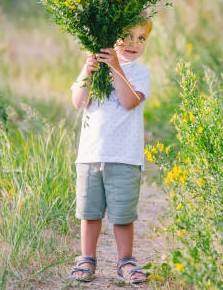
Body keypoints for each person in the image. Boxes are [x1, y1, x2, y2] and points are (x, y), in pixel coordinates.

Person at [69, 19, 152, 284]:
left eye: (141, 38)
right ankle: (86, 258)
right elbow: (79, 102)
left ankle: (125, 261)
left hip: (124, 157)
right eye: (127, 36)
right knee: (89, 212)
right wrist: (88, 68)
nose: (134, 44)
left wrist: (115, 65)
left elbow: (129, 102)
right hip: (91, 155)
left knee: (122, 215)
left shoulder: (140, 73)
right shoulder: (95, 71)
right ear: (111, 37)